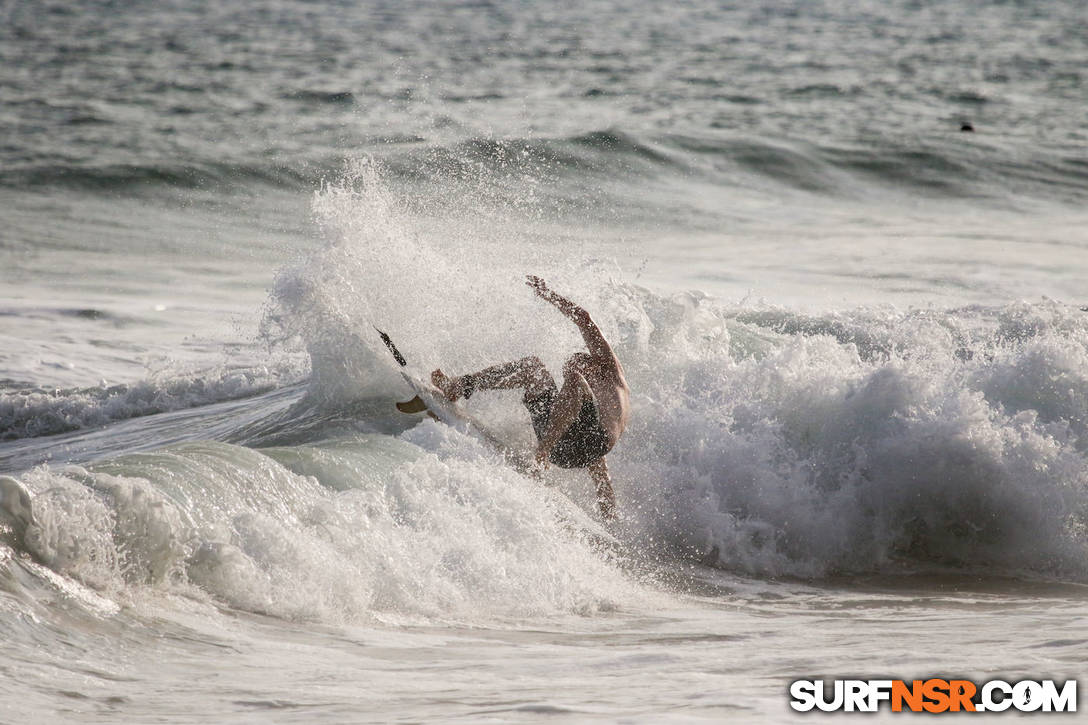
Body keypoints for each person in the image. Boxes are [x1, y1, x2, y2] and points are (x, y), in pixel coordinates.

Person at [432, 275, 630, 520]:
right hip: (570, 452)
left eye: (574, 364)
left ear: (590, 362)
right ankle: (460, 385)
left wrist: (549, 294)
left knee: (568, 381)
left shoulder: (608, 372)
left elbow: (584, 318)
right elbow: (595, 452)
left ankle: (540, 450)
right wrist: (606, 504)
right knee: (533, 369)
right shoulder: (606, 407)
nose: (567, 371)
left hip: (556, 448)